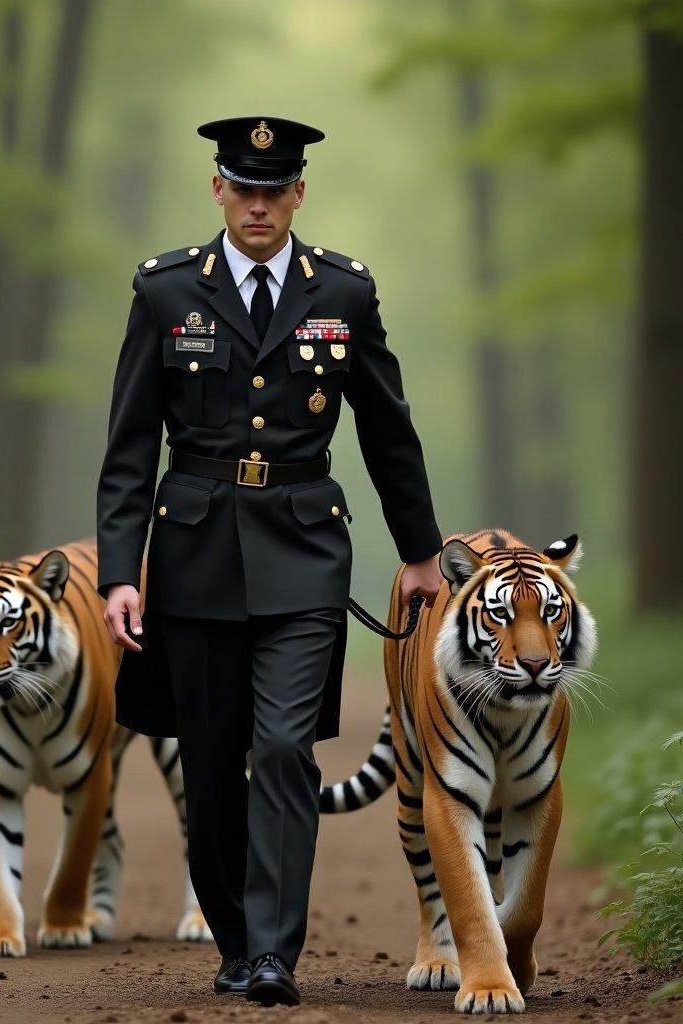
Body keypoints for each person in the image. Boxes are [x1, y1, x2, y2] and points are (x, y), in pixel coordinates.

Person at [95, 116, 444, 1006]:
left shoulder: (345, 293)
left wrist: (419, 552)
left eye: (274, 188)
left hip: (303, 550)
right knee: (211, 764)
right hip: (195, 551)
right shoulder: (167, 291)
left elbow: (388, 430)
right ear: (218, 190)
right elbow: (130, 446)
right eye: (242, 188)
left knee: (285, 747)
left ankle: (274, 956)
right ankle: (236, 939)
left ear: (298, 192)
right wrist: (120, 573)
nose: (258, 204)